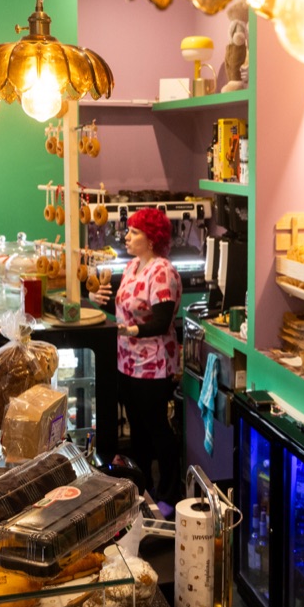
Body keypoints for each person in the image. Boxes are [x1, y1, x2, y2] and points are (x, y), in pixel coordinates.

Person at [92, 207, 183, 502]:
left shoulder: (162, 271)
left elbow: (162, 320)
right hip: (127, 362)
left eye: (134, 232)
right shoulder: (132, 267)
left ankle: (169, 493)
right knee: (138, 431)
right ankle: (143, 489)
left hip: (153, 365)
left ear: (152, 238)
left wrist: (130, 331)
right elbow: (122, 312)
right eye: (128, 230)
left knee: (157, 428)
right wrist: (97, 300)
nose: (127, 236)